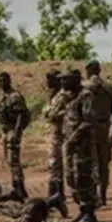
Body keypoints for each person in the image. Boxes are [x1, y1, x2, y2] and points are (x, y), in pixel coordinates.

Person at [62, 69, 100, 222]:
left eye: (66, 80)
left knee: (83, 177)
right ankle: (82, 210)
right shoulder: (69, 97)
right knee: (72, 178)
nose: (63, 83)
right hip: (71, 145)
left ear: (75, 80)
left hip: (82, 145)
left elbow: (88, 121)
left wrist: (74, 137)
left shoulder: (85, 96)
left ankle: (89, 213)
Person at [85, 60, 112, 207]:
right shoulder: (109, 88)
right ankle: (103, 196)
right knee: (103, 164)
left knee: (89, 162)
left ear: (88, 71)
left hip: (88, 129)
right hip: (104, 128)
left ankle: (93, 196)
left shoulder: (84, 88)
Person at [0, 71, 31, 199]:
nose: (2, 83)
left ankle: (19, 188)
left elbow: (21, 114)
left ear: (9, 81)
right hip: (6, 130)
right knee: (9, 161)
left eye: (4, 80)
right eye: (0, 81)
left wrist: (17, 131)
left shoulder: (14, 96)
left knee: (14, 161)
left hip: (13, 130)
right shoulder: (4, 97)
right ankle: (18, 187)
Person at [41, 68, 71, 199]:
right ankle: (56, 193)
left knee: (56, 164)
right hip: (54, 133)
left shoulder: (62, 96)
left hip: (60, 134)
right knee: (53, 166)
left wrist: (48, 112)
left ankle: (57, 194)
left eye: (50, 79)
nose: (47, 82)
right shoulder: (52, 95)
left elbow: (52, 114)